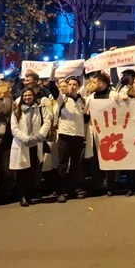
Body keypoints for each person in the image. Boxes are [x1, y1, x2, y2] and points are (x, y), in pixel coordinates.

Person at [10, 87, 53, 207]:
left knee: (32, 171)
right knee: (22, 172)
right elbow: (14, 128)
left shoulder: (39, 109)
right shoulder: (17, 110)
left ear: (33, 96)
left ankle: (29, 194)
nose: (27, 97)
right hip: (22, 144)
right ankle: (22, 196)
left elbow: (47, 122)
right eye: (25, 96)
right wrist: (25, 139)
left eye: (29, 95)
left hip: (35, 143)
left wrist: (39, 136)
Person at [51, 75, 88, 203]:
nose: (72, 87)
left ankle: (71, 189)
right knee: (62, 164)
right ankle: (61, 191)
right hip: (65, 135)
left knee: (75, 165)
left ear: (78, 87)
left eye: (74, 85)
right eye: (70, 84)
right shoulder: (63, 99)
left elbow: (85, 117)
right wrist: (52, 74)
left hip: (78, 136)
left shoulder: (82, 101)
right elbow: (53, 89)